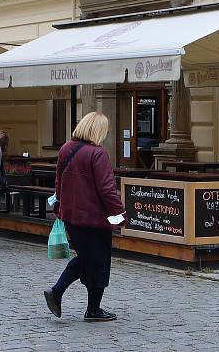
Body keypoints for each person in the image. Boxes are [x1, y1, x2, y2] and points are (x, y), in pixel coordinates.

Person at [45, 112, 125, 322]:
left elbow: (58, 182)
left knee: (87, 259)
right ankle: (86, 306)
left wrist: (59, 208)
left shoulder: (66, 148)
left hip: (72, 217)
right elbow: (107, 190)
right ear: (98, 130)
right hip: (94, 218)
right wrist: (119, 215)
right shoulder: (97, 153)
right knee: (98, 261)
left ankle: (69, 298)